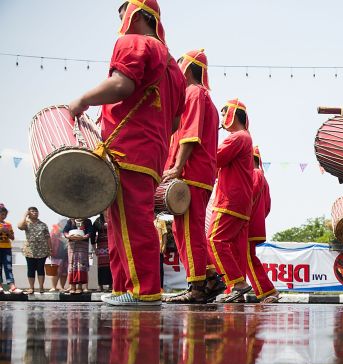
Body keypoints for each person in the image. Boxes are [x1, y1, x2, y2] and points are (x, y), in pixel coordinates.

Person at [68, 0, 185, 306]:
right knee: (122, 221)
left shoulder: (133, 42)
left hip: (129, 147)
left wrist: (82, 100)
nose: (120, 24)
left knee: (132, 223)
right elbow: (174, 120)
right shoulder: (173, 65)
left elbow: (121, 85)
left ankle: (142, 291)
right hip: (151, 150)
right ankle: (124, 289)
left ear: (138, 17)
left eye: (123, 16)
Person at [163, 49, 220, 304]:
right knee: (188, 228)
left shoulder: (194, 93)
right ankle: (208, 278)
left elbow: (190, 135)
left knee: (187, 229)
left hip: (192, 172)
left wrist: (177, 167)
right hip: (198, 172)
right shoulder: (202, 97)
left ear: (186, 69)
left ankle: (196, 286)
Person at [206, 98, 254, 303]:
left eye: (225, 112)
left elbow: (213, 158)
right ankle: (236, 284)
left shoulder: (237, 137)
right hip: (239, 201)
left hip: (230, 200)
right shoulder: (244, 137)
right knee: (231, 246)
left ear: (232, 115)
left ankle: (238, 283)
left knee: (214, 240)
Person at [243, 146, 278, 302]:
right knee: (241, 259)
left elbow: (246, 198)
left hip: (247, 224)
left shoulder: (254, 175)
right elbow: (268, 206)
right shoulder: (262, 176)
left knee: (248, 258)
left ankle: (268, 291)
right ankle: (235, 290)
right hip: (254, 223)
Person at [18, 207, 50, 294]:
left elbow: (48, 237)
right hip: (29, 250)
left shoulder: (43, 224)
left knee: (40, 269)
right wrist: (25, 216)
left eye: (36, 211)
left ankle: (41, 287)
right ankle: (31, 287)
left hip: (42, 250)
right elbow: (20, 226)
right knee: (31, 269)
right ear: (29, 213)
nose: (35, 213)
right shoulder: (26, 223)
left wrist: (50, 249)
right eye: (32, 211)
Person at [63, 217, 94, 294]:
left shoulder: (87, 221)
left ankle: (80, 287)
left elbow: (90, 232)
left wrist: (84, 237)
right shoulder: (70, 221)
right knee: (72, 265)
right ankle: (72, 287)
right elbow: (65, 231)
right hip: (72, 245)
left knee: (81, 265)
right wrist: (68, 236)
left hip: (82, 244)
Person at [92, 212, 112, 291]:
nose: (107, 210)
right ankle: (100, 285)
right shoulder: (98, 221)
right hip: (101, 247)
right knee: (102, 266)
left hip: (112, 244)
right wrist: (95, 249)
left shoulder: (112, 218)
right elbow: (92, 235)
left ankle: (111, 285)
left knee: (111, 264)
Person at [0, 205, 17, 293]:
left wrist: (7, 232)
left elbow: (12, 237)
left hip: (6, 248)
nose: (3, 216)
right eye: (2, 214)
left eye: (5, 215)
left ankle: (11, 285)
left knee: (8, 267)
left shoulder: (8, 224)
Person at [49, 218, 68, 292]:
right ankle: (54, 287)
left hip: (66, 255)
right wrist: (50, 251)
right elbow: (50, 240)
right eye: (63, 223)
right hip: (56, 254)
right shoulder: (54, 230)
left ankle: (62, 287)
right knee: (55, 272)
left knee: (64, 273)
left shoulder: (68, 230)